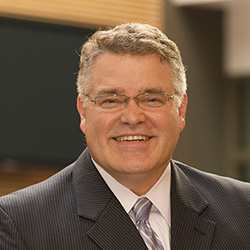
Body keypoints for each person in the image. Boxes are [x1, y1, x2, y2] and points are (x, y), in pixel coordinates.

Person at [0, 23, 249, 250]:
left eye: (152, 98)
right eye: (111, 100)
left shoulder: (242, 209)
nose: (132, 117)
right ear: (83, 111)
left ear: (181, 109)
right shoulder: (19, 224)